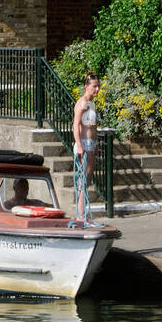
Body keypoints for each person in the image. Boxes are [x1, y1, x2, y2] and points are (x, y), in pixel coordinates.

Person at [72, 72, 101, 223]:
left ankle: (82, 213)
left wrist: (95, 145)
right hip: (83, 143)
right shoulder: (82, 103)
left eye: (98, 86)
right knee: (83, 181)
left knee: (87, 180)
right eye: (94, 87)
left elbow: (92, 126)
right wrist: (80, 146)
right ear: (86, 87)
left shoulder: (91, 104)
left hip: (90, 144)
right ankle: (80, 215)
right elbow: (76, 125)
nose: (97, 90)